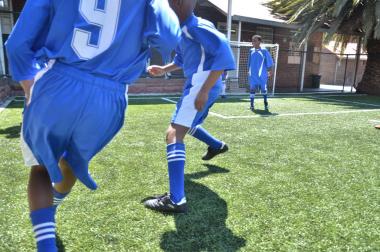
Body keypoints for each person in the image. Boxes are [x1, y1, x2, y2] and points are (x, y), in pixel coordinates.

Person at [5, 1, 180, 251]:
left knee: (41, 169)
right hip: (111, 96)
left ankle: (46, 241)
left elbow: (17, 44)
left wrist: (28, 85)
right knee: (73, 163)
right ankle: (51, 206)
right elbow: (168, 38)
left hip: (58, 82)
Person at [143, 0, 235, 214]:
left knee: (174, 134)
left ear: (179, 3)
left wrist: (204, 90)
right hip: (199, 83)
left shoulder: (196, 27)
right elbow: (183, 59)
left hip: (201, 83)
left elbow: (223, 54)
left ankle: (176, 200)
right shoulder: (182, 30)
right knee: (186, 125)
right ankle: (217, 146)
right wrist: (164, 68)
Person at [248, 35, 274, 111]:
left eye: (255, 40)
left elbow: (270, 62)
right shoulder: (251, 51)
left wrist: (271, 71)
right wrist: (248, 71)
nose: (253, 42)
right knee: (252, 89)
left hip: (262, 74)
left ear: (259, 41)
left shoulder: (264, 51)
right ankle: (251, 105)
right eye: (252, 40)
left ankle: (266, 104)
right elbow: (249, 62)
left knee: (263, 89)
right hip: (253, 74)